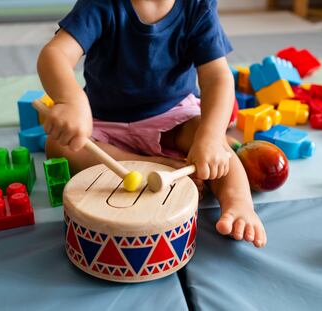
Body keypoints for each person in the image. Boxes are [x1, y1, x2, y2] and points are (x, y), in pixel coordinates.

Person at [37, 0, 267, 248]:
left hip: (173, 115)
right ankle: (156, 165)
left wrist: (210, 137)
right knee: (59, 146)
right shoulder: (99, 4)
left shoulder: (197, 5)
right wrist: (70, 100)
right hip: (104, 120)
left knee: (216, 143)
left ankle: (238, 204)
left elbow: (217, 77)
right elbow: (55, 53)